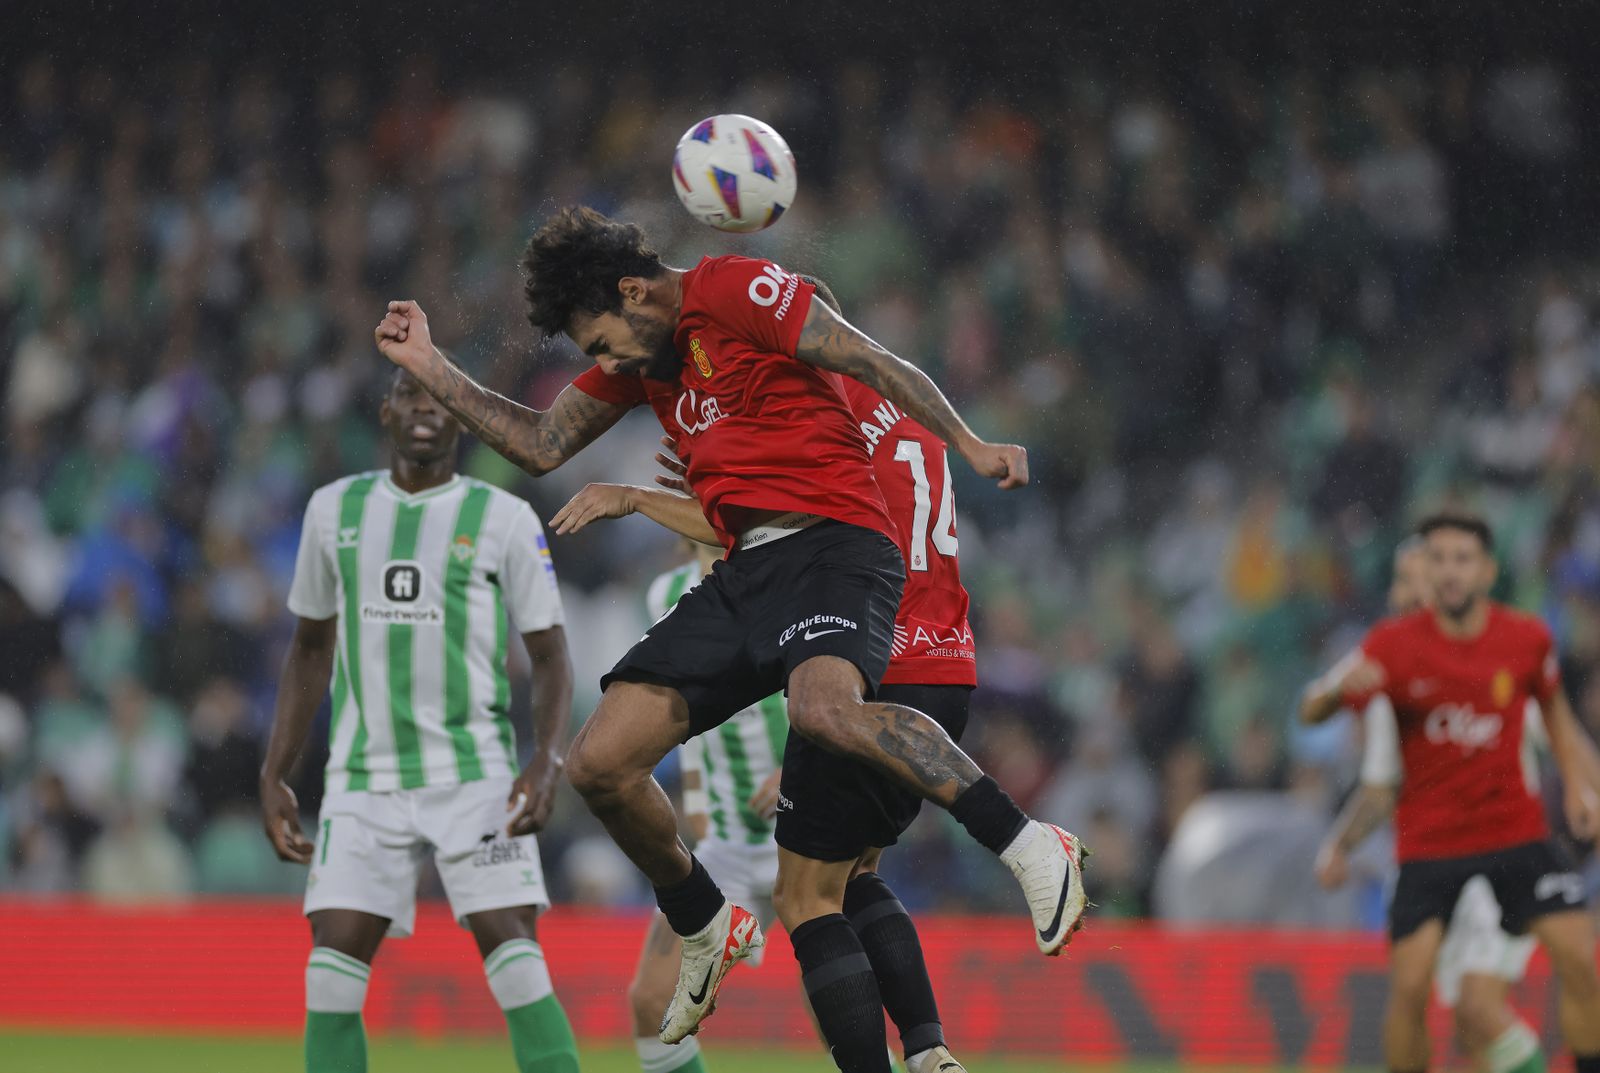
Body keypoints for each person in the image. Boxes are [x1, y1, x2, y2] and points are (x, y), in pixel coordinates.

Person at [373, 207, 1085, 1061]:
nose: (604, 363)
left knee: (823, 711)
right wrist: (428, 363)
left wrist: (967, 440)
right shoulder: (647, 359)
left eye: (601, 341)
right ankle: (707, 922)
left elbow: (871, 357)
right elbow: (539, 440)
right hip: (747, 571)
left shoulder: (733, 288)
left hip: (837, 545)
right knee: (598, 762)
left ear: (634, 291)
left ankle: (1030, 843)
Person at [555, 276, 978, 1073]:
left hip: (865, 659)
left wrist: (667, 488)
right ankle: (929, 1050)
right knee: (846, 883)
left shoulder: (821, 417)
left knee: (814, 900)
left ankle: (910, 1055)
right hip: (926, 653)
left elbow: (792, 548)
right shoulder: (904, 424)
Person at [259, 369, 580, 1073]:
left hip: (475, 775)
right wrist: (275, 771)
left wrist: (546, 760)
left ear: (462, 420)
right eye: (411, 398)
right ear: (386, 413)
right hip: (362, 777)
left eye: (439, 401)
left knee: (517, 961)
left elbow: (552, 655)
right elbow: (309, 647)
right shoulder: (332, 511)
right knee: (330, 974)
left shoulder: (502, 518)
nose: (425, 412)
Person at [1302, 512, 1600, 1073]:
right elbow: (1380, 783)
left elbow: (1559, 729)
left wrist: (1590, 793)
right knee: (1463, 1025)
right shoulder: (1391, 662)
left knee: (1480, 1008)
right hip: (1432, 851)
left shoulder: (1506, 648)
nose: (1399, 591)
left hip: (1505, 845)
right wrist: (1340, 844)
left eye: (1407, 577)